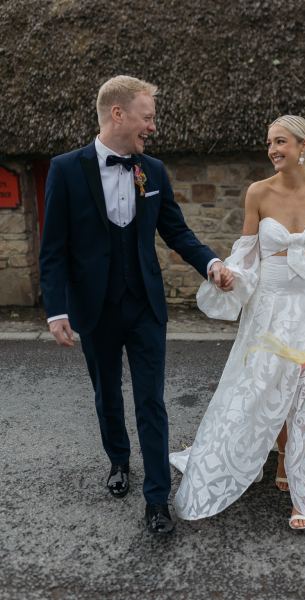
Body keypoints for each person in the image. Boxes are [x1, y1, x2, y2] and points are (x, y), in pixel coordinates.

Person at [170, 115, 305, 530]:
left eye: (281, 142)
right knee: (264, 384)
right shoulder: (258, 192)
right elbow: (247, 253)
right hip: (269, 307)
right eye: (270, 143)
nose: (273, 150)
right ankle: (262, 452)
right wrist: (230, 274)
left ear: (303, 145)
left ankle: (297, 481)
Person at [39, 75, 231, 535]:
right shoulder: (65, 170)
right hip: (94, 306)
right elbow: (54, 248)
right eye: (148, 117)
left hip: (145, 305)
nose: (153, 127)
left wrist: (212, 264)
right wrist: (57, 309)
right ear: (118, 114)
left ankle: (157, 501)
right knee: (107, 393)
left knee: (151, 400)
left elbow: (177, 232)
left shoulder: (154, 171)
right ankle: (119, 462)